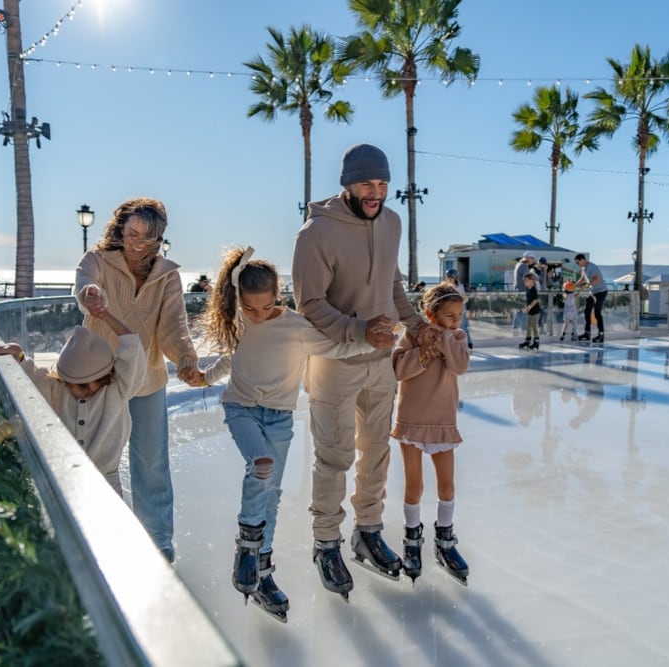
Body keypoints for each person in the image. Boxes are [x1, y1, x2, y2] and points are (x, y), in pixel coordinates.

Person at [195, 247, 375, 621]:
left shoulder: (296, 327)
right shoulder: (240, 322)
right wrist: (205, 377)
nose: (257, 316)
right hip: (241, 409)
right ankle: (246, 546)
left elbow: (336, 347)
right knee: (261, 466)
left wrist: (371, 339)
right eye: (249, 309)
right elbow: (231, 358)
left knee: (272, 494)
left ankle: (261, 572)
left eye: (264, 307)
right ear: (239, 301)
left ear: (278, 295)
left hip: (279, 418)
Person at [291, 143, 425, 599]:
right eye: (368, 183)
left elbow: (392, 283)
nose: (377, 192)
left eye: (384, 184)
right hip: (333, 364)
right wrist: (359, 330)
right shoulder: (316, 233)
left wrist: (418, 327)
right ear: (347, 183)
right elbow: (307, 304)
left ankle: (367, 531)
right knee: (334, 457)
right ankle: (326, 541)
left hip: (380, 363)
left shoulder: (391, 222)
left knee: (376, 452)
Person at [74, 197, 200, 563]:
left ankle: (158, 541)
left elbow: (174, 326)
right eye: (132, 234)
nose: (138, 244)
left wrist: (187, 360)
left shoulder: (167, 275)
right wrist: (89, 294)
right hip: (99, 378)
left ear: (160, 238)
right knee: (99, 459)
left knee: (152, 463)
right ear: (120, 228)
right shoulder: (96, 261)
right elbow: (85, 285)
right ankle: (102, 535)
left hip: (147, 380)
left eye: (148, 238)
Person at [0, 293, 146, 494]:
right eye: (71, 383)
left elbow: (132, 348)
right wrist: (18, 355)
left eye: (84, 386)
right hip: (64, 480)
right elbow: (33, 377)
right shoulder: (57, 389)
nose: (75, 390)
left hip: (106, 482)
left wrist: (104, 316)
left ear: (104, 377)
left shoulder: (118, 389)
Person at [390, 282, 471, 585]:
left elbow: (460, 365)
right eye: (449, 316)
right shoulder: (412, 336)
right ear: (429, 313)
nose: (456, 320)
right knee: (414, 485)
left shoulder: (458, 337)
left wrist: (445, 338)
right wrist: (425, 349)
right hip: (412, 418)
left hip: (442, 420)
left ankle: (445, 540)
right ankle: (412, 541)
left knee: (447, 486)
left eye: (459, 315)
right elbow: (398, 369)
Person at [573, 253, 608, 343]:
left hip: (601, 292)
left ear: (582, 260)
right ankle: (587, 333)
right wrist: (574, 286)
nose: (578, 265)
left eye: (578, 263)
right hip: (593, 293)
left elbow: (597, 280)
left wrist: (586, 285)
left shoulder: (592, 267)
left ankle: (601, 335)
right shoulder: (583, 268)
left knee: (597, 313)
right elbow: (582, 278)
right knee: (587, 311)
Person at [444, 269, 473, 349]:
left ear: (455, 277)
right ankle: (453, 343)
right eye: (448, 277)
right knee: (450, 326)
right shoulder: (446, 287)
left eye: (451, 277)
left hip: (460, 307)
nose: (449, 279)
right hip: (450, 308)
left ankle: (468, 342)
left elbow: (463, 297)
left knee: (463, 325)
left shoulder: (460, 286)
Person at [518, 272, 541, 350]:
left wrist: (528, 308)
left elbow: (535, 301)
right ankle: (527, 340)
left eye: (526, 280)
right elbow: (528, 300)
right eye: (524, 281)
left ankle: (536, 342)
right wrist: (526, 308)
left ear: (532, 281)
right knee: (528, 326)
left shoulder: (534, 289)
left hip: (535, 311)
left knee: (534, 326)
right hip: (530, 311)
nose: (525, 282)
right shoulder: (528, 289)